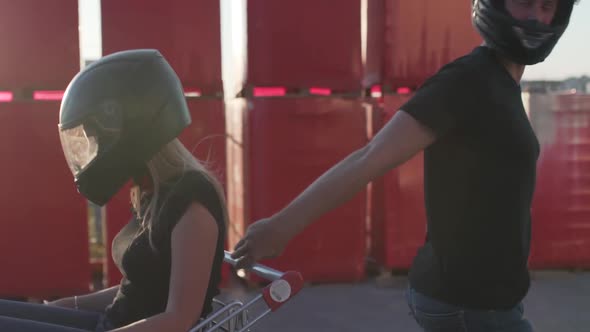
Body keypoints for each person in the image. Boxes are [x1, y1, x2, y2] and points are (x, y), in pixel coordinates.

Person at [231, 0, 578, 331]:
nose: (535, 17)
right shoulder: (466, 81)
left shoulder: (503, 84)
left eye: (547, 6)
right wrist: (281, 227)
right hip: (471, 305)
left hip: (487, 301)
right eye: (524, 2)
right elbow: (369, 158)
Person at [0, 49, 227, 331]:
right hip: (111, 321)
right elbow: (138, 287)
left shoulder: (193, 202)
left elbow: (179, 319)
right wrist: (69, 304)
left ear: (132, 128)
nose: (95, 149)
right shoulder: (153, 191)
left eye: (98, 138)